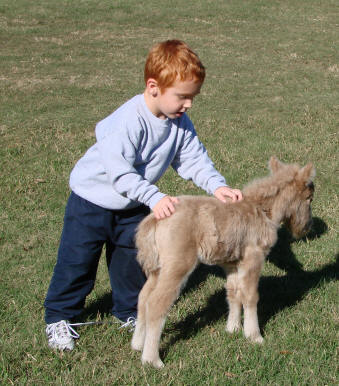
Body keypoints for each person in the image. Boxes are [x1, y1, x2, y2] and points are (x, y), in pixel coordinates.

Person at [44, 39, 243, 351]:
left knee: (131, 263)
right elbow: (120, 172)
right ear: (154, 87)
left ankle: (128, 312)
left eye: (193, 97)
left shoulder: (179, 122)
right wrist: (154, 196)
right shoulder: (128, 120)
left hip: (133, 205)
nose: (188, 104)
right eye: (182, 96)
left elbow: (193, 158)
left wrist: (217, 186)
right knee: (77, 263)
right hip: (91, 203)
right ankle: (60, 317)